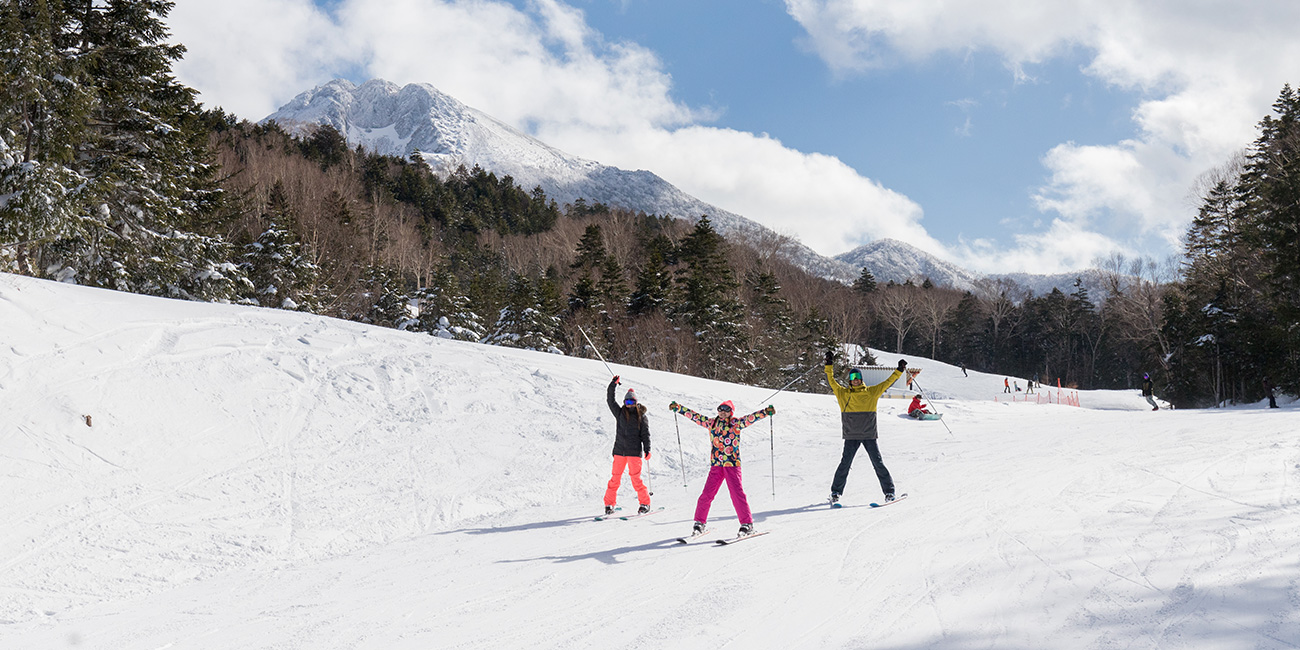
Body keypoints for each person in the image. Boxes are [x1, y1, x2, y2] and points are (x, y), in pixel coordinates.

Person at [669, 399, 774, 537]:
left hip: (732, 465)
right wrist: (679, 408)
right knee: (706, 495)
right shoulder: (712, 423)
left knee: (737, 495)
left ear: (731, 412)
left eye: (726, 410)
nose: (723, 412)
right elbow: (695, 416)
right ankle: (699, 523)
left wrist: (765, 412)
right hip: (716, 465)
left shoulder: (736, 424)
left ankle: (747, 524)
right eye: (720, 409)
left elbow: (750, 418)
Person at [825, 351, 904, 505]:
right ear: (850, 380)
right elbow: (831, 381)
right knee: (845, 464)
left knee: (878, 463)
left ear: (861, 379)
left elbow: (887, 383)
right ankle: (835, 493)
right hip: (851, 435)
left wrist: (899, 371)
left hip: (868, 434)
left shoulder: (871, 392)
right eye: (852, 378)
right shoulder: (843, 394)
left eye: (857, 377)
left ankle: (889, 492)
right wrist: (828, 365)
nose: (855, 380)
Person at [604, 376, 651, 516]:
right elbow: (610, 400)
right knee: (615, 479)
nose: (629, 404)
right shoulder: (619, 413)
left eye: (632, 401)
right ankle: (609, 504)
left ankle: (645, 503)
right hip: (619, 451)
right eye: (627, 401)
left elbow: (645, 435)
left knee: (636, 479)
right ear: (624, 402)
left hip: (634, 452)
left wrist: (647, 449)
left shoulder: (641, 417)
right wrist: (613, 384)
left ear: (636, 403)